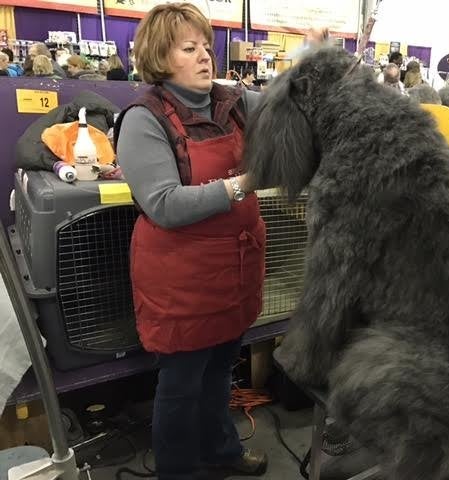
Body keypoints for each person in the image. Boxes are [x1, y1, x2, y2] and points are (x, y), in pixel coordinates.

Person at [114, 3, 267, 479]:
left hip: (235, 270)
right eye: (189, 48)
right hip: (182, 279)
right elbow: (165, 204)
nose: (205, 56)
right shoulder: (144, 118)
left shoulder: (234, 102)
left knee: (222, 371)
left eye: (206, 46)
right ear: (161, 58)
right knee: (181, 385)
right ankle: (178, 470)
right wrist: (246, 182)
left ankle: (220, 450)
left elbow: (295, 107)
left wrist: (318, 64)